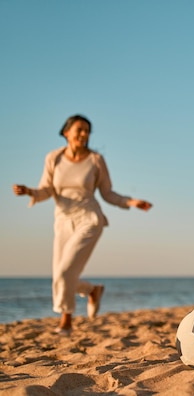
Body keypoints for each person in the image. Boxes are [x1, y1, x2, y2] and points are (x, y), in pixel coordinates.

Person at [13, 114, 152, 335]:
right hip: (63, 221)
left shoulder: (96, 160)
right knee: (61, 275)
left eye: (87, 130)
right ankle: (92, 290)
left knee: (65, 272)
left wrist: (131, 202)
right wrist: (30, 191)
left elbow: (107, 193)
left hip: (89, 219)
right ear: (66, 132)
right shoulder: (54, 158)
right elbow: (47, 190)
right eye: (79, 129)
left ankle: (66, 322)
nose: (84, 134)